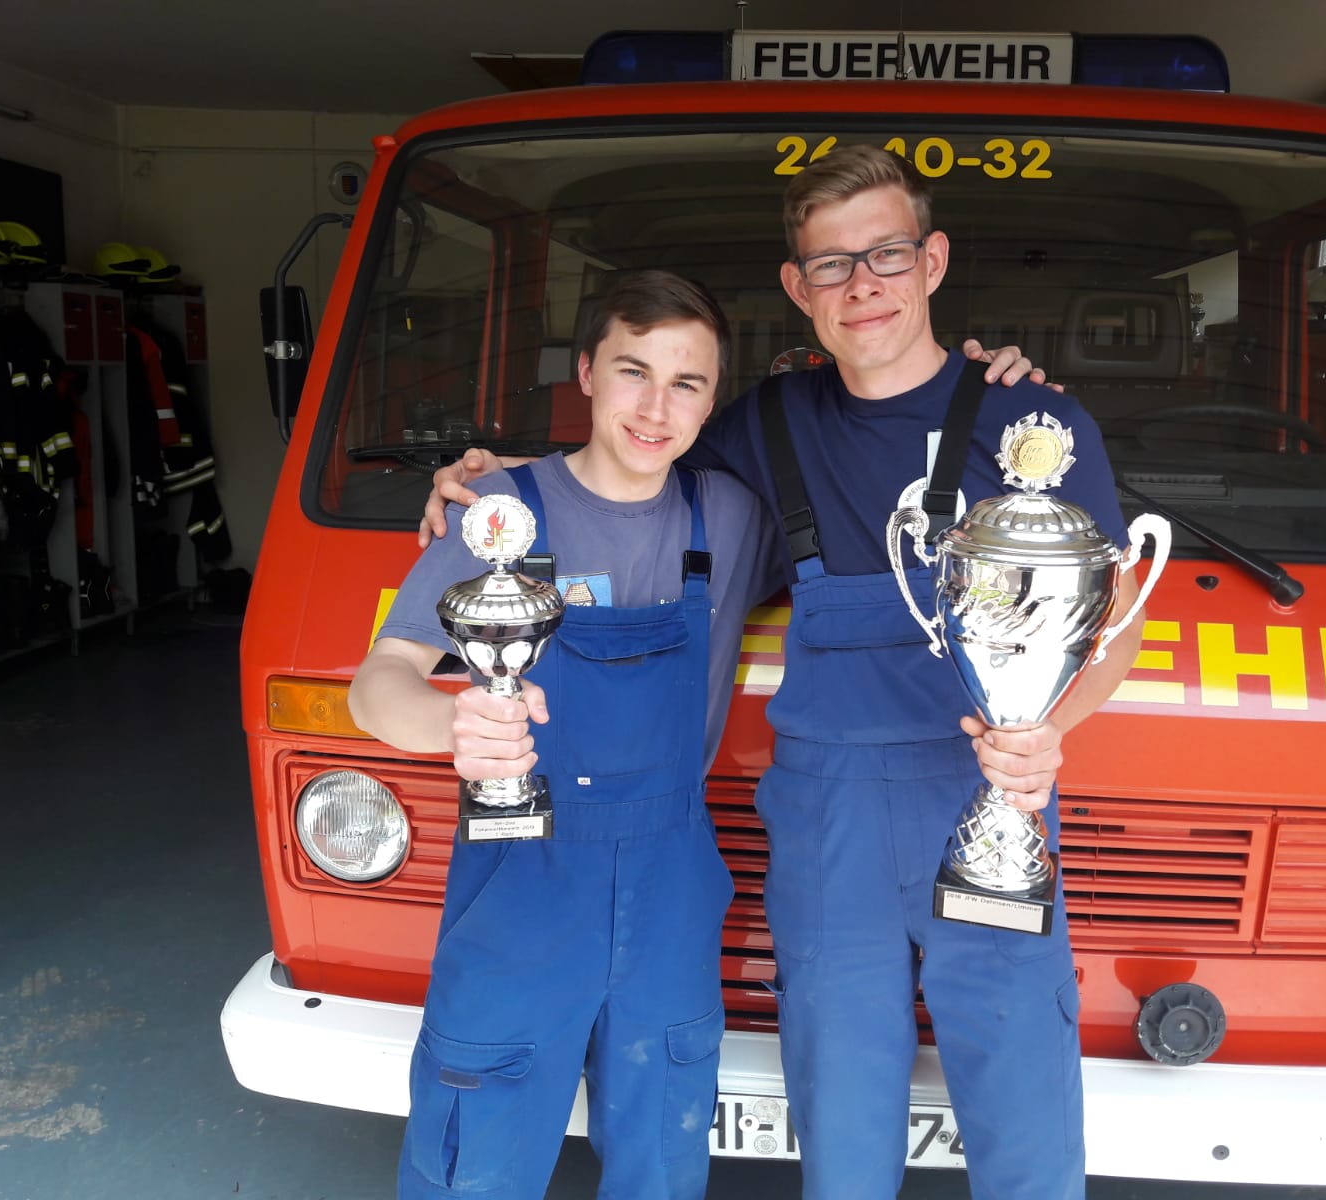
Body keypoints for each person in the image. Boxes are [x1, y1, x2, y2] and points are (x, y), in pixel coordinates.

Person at [423, 146, 1147, 1200]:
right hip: (825, 816)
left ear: (932, 262)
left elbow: (1113, 622)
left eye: (886, 254)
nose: (863, 285)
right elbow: (628, 457)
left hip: (987, 792)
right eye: (831, 264)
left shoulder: (1031, 424)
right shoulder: (760, 425)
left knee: (1022, 1096)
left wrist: (1048, 734)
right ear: (797, 287)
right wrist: (499, 488)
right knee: (839, 1119)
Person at [350, 270, 783, 1199]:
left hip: (670, 883)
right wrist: (451, 724)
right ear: (585, 372)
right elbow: (377, 684)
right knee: (477, 1157)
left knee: (662, 1159)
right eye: (633, 372)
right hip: (522, 879)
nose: (656, 409)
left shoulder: (734, 515)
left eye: (687, 383)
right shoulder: (497, 514)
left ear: (712, 400)